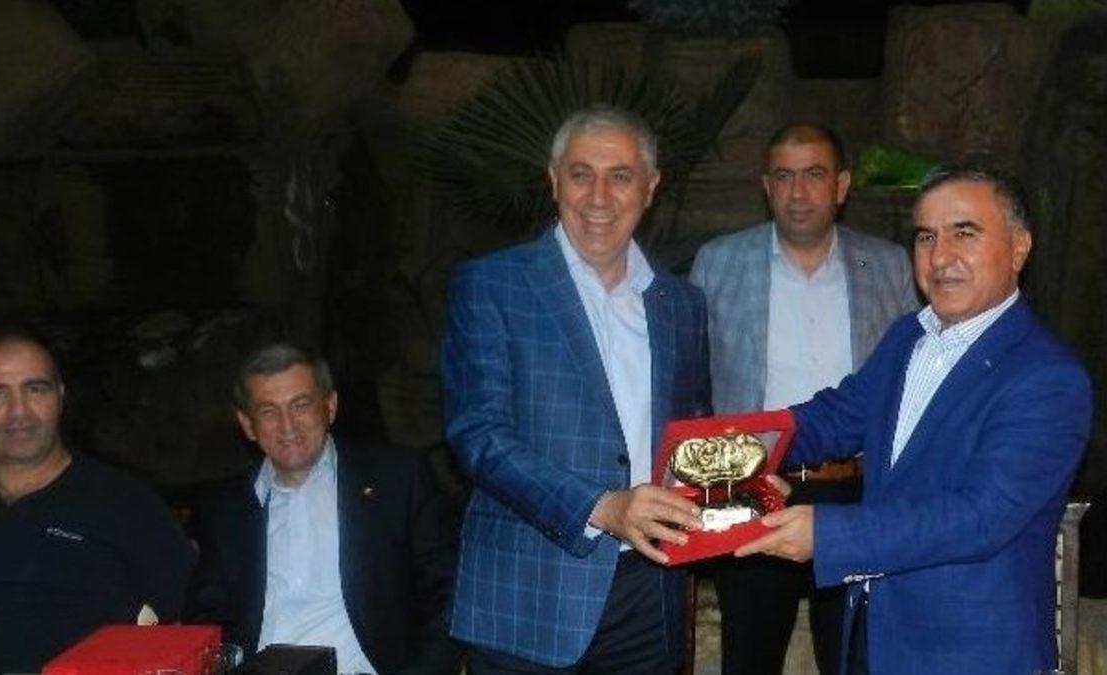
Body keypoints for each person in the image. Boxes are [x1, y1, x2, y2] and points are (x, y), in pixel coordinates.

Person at [737, 161, 1092, 675]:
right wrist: (727, 450)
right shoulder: (910, 336)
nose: (940, 257)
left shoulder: (1047, 377)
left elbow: (980, 516)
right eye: (926, 236)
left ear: (1019, 248)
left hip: (968, 656)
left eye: (964, 233)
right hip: (874, 637)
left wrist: (827, 535)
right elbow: (836, 417)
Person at [440, 105, 713, 673]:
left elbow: (692, 438)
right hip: (526, 597)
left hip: (648, 594)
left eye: (621, 177)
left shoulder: (682, 305)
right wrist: (602, 507)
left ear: (650, 187)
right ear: (553, 180)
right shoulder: (492, 284)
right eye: (581, 174)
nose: (598, 197)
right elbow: (478, 435)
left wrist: (743, 487)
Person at [688, 123, 918, 675]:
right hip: (753, 487)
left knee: (856, 658)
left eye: (813, 175)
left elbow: (915, 379)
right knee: (748, 659)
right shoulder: (719, 262)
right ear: (766, 186)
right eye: (784, 176)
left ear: (842, 185)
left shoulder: (890, 264)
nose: (798, 192)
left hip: (858, 492)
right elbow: (691, 382)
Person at [0, 329, 195, 674]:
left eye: (35, 389)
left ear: (60, 396)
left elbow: (185, 629)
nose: (18, 412)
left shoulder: (125, 503)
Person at [184, 344, 463, 675]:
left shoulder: (398, 481)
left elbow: (448, 597)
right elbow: (205, 618)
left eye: (300, 405)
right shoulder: (223, 508)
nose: (287, 425)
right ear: (247, 425)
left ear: (330, 407)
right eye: (269, 411)